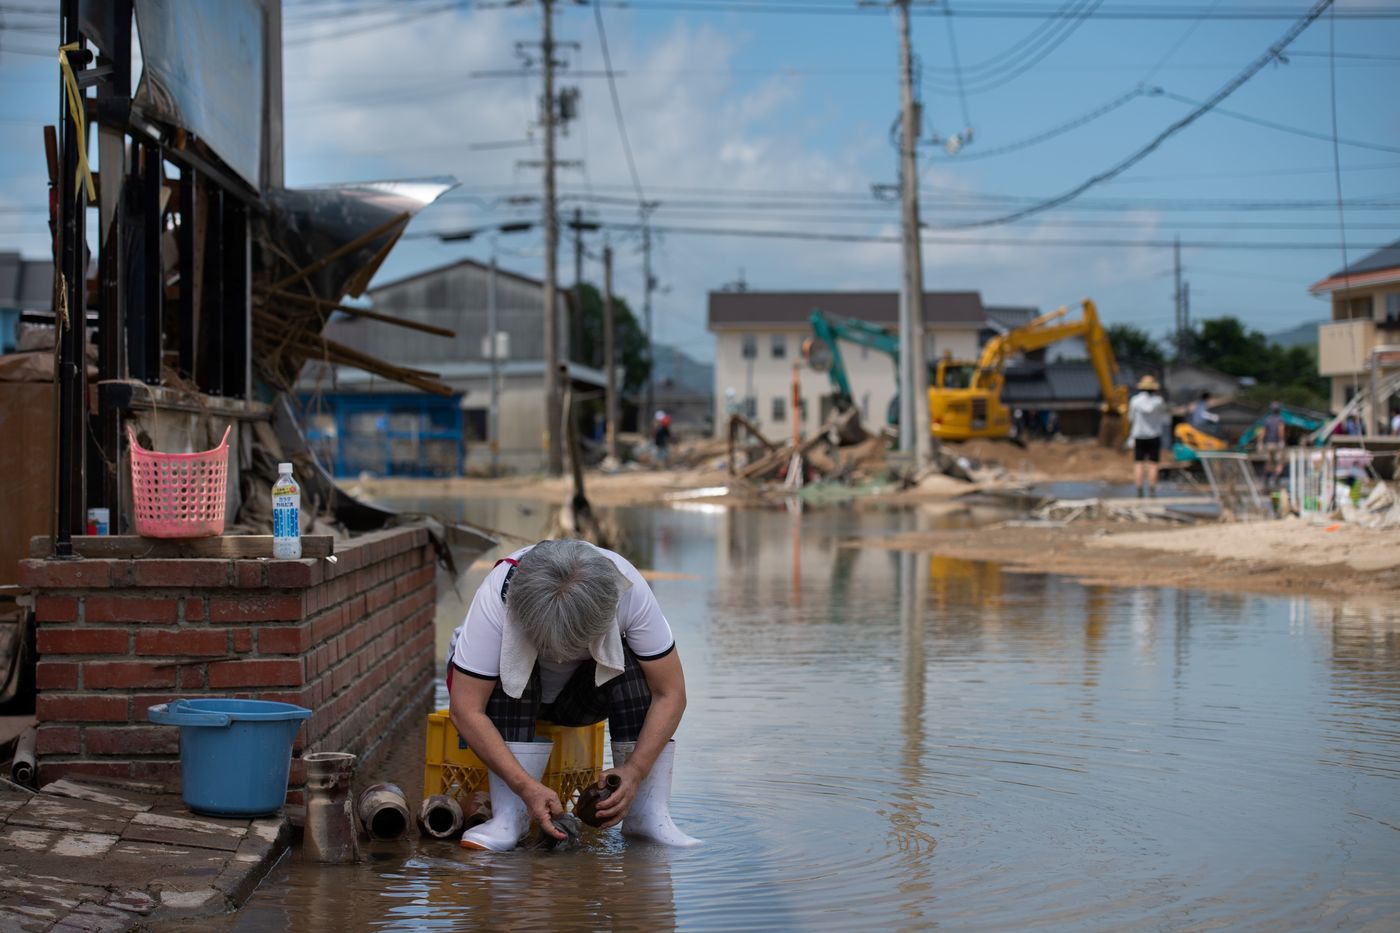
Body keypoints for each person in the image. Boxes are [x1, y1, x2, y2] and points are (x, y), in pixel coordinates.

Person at [447, 538, 699, 852]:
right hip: (510, 699)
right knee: (503, 663)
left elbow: (671, 692)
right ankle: (509, 817)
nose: (563, 657)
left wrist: (635, 771)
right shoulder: (498, 593)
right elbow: (465, 708)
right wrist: (527, 788)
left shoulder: (628, 589)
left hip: (581, 699)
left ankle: (647, 816)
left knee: (639, 664)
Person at [1128, 375, 1170, 497]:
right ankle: (1152, 490)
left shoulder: (1135, 401)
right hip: (1154, 435)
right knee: (1153, 464)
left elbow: (1131, 418)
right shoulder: (1158, 401)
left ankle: (1139, 490)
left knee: (1138, 463)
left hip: (1139, 435)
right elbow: (1164, 415)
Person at [1259, 401, 1287, 486]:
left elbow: (1262, 432)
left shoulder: (1267, 420)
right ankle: (1276, 481)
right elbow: (1281, 431)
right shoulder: (1280, 419)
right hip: (1276, 444)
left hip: (1268, 444)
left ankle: (1266, 482)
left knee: (1269, 463)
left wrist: (1260, 442)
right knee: (1279, 462)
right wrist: (1282, 440)